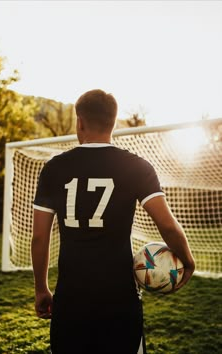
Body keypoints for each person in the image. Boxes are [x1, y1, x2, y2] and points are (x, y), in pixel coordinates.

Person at [31, 89, 195, 354]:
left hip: (71, 299)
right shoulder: (136, 166)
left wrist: (41, 289)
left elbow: (39, 237)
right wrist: (188, 260)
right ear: (114, 122)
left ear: (79, 121)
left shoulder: (54, 168)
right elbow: (166, 225)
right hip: (119, 299)